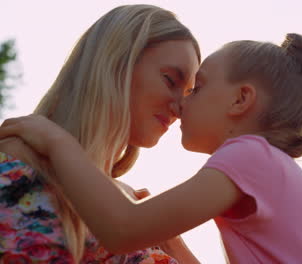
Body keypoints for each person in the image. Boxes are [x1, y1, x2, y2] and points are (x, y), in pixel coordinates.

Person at [0, 33, 302, 263]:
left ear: (241, 99)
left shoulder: (249, 155)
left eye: (198, 88)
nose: (181, 104)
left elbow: (122, 230)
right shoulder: (282, 174)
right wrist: (173, 243)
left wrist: (56, 141)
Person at [0, 4, 201, 263]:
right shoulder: (16, 164)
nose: (180, 108)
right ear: (116, 63)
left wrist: (171, 242)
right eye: (170, 80)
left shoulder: (132, 210)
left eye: (188, 94)